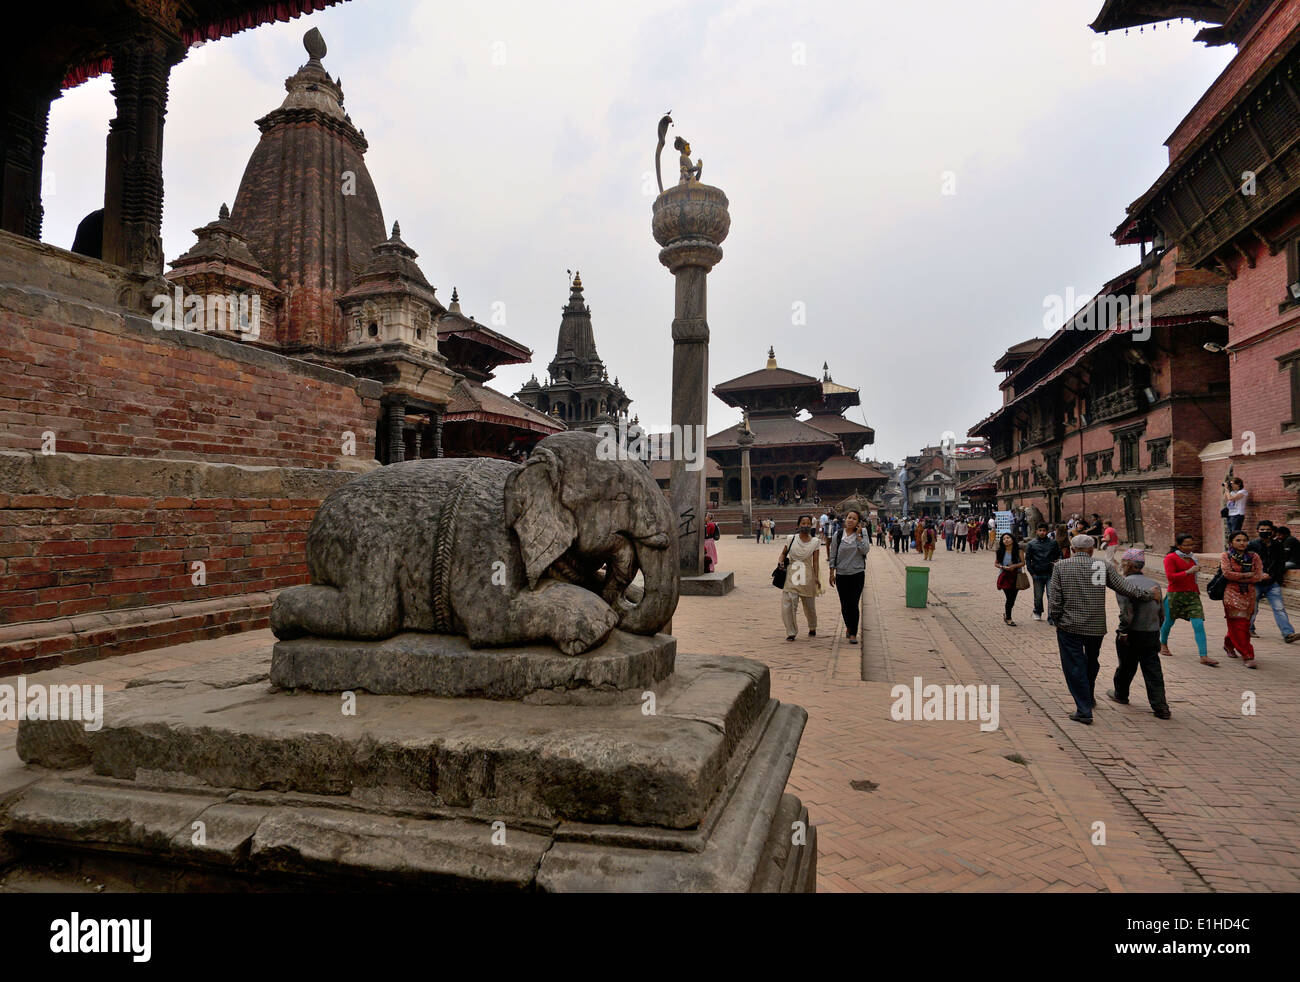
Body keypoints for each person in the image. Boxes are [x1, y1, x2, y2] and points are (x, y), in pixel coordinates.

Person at [1048, 534, 1159, 724]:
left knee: (1074, 665)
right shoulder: (1102, 566)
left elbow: (1055, 598)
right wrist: (1147, 594)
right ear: (1092, 550)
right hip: (1095, 626)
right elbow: (1125, 587)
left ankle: (1083, 710)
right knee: (1091, 662)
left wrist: (1057, 618)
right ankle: (1088, 697)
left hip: (1070, 625)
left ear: (1073, 550)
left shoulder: (1061, 566)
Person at [1106, 548, 1171, 719]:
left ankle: (1121, 693)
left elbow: (1127, 612)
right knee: (1153, 669)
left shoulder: (1124, 584)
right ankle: (1161, 706)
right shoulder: (1154, 584)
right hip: (1151, 631)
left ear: (1128, 565)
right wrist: (1157, 627)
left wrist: (1123, 631)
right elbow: (1161, 612)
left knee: (1126, 666)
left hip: (1132, 632)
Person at [1159, 532, 1216, 666]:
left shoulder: (1193, 558)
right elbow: (1171, 577)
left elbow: (1193, 578)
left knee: (1198, 624)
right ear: (1178, 545)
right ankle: (1163, 643)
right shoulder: (1170, 558)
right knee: (1168, 622)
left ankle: (1204, 655)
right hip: (1175, 595)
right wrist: (1188, 572)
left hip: (1192, 595)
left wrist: (1196, 590)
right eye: (1186, 545)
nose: (1190, 547)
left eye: (1191, 544)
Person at [1246, 520, 1300, 643]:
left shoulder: (1277, 545)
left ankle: (1288, 634)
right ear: (1257, 531)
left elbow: (1281, 563)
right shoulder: (1252, 545)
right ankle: (1248, 628)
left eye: (1267, 530)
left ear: (1272, 531)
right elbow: (1247, 564)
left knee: (1279, 608)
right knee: (1252, 608)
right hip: (1256, 582)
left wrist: (1277, 578)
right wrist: (1256, 576)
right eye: (1262, 530)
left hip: (1272, 582)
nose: (1265, 532)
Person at [1220, 530, 1265, 667]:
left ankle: (1228, 644)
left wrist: (1244, 576)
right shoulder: (1226, 556)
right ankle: (1247, 655)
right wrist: (1246, 576)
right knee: (1239, 624)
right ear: (1231, 542)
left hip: (1249, 594)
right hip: (1231, 593)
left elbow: (1258, 576)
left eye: (1244, 540)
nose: (1242, 543)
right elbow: (1227, 574)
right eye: (1238, 540)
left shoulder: (1253, 556)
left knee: (1242, 624)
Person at [779, 515, 823, 641]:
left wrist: (816, 577)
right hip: (792, 573)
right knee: (789, 603)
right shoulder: (790, 539)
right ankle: (791, 631)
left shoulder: (815, 542)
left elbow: (816, 562)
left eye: (808, 523)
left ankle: (812, 626)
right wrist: (780, 562)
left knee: (809, 605)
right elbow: (782, 554)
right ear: (798, 526)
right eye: (803, 523)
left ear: (811, 525)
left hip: (807, 575)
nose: (805, 525)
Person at [829, 509, 869, 645]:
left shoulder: (863, 533)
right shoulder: (838, 535)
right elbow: (833, 555)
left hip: (857, 574)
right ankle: (848, 626)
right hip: (841, 574)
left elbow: (865, 550)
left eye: (854, 518)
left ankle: (853, 632)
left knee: (854, 603)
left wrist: (858, 537)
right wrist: (831, 573)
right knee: (845, 605)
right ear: (845, 519)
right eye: (849, 518)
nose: (851, 520)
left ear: (858, 522)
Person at [1025, 523, 1062, 623]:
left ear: (1047, 532)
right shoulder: (1031, 544)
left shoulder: (1053, 543)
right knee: (1038, 596)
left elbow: (1059, 554)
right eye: (1040, 530)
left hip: (1051, 573)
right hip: (1037, 574)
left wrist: (1058, 561)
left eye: (1044, 530)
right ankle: (1037, 611)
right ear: (1036, 531)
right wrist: (1032, 572)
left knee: (1051, 595)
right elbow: (1027, 559)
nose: (1042, 532)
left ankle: (1051, 617)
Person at [994, 532, 1025, 626]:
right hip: (1004, 576)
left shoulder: (1018, 550)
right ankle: (1008, 618)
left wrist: (1014, 566)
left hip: (1016, 576)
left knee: (1013, 598)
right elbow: (996, 563)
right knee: (1009, 597)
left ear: (1012, 539)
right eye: (1004, 539)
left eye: (1008, 538)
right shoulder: (1000, 551)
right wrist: (1003, 567)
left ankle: (1007, 614)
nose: (1006, 540)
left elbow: (1023, 563)